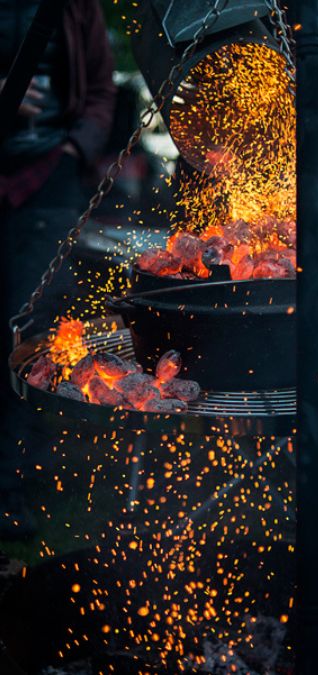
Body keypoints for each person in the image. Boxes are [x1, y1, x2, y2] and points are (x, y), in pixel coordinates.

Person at [0, 0, 115, 538]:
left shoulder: (73, 5)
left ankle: (12, 492)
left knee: (28, 337)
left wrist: (74, 149)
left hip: (47, 179)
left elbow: (100, 89)